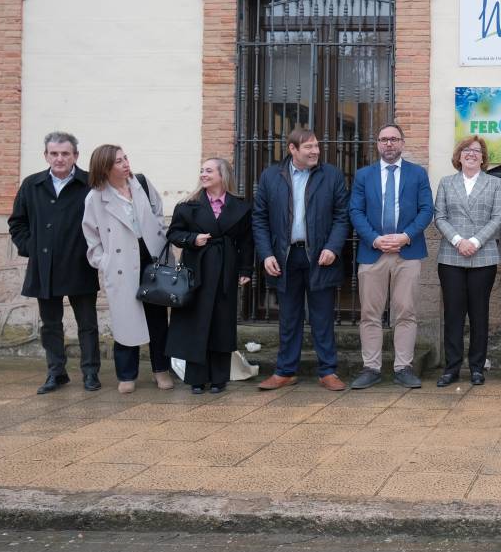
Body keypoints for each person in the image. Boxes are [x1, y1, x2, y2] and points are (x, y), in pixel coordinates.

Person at [252, 127, 350, 392]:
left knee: (322, 316)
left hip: (321, 256)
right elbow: (259, 218)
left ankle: (328, 371)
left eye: (316, 146)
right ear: (292, 149)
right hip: (284, 256)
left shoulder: (331, 175)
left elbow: (342, 215)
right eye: (308, 147)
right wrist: (266, 254)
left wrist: (333, 247)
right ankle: (285, 371)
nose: (315, 151)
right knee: (289, 317)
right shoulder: (271, 176)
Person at [9, 131, 102, 394]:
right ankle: (56, 372)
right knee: (50, 324)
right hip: (44, 266)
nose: (59, 158)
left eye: (65, 153)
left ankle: (90, 372)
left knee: (88, 324)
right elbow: (17, 222)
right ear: (46, 155)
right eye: (54, 153)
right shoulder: (32, 184)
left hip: (79, 263)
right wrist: (31, 248)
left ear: (75, 156)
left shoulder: (90, 184)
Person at [80, 144, 173, 394]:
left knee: (157, 318)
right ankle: (126, 374)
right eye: (119, 161)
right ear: (105, 167)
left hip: (150, 257)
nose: (125, 164)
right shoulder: (96, 197)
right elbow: (91, 234)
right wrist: (104, 260)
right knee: (125, 319)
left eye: (125, 158)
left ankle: (161, 369)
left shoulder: (140, 182)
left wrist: (160, 237)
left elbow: (157, 209)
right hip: (121, 264)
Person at [348, 123, 433, 390]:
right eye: (384, 139)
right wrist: (375, 238)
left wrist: (405, 236)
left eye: (394, 139)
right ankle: (371, 368)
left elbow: (426, 209)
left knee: (406, 312)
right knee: (370, 313)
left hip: (407, 252)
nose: (389, 144)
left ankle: (403, 367)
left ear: (402, 143)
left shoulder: (418, 174)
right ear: (377, 144)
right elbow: (355, 212)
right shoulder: (364, 175)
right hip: (373, 252)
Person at [165, 158, 254, 394]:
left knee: (222, 323)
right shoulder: (187, 205)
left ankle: (219, 378)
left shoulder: (240, 206)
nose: (203, 174)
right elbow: (173, 234)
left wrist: (245, 270)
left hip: (226, 270)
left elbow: (246, 242)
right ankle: (196, 378)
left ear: (222, 175)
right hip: (197, 270)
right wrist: (192, 240)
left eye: (209, 170)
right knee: (196, 322)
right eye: (202, 170)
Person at [433, 135, 501, 388]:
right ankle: (452, 368)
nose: (471, 154)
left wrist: (474, 241)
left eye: (477, 151)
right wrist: (457, 240)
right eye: (466, 150)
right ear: (459, 155)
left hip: (483, 257)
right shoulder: (446, 182)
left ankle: (476, 367)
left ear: (483, 158)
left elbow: (498, 218)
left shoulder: (494, 183)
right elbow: (439, 216)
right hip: (451, 256)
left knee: (479, 313)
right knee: (453, 314)